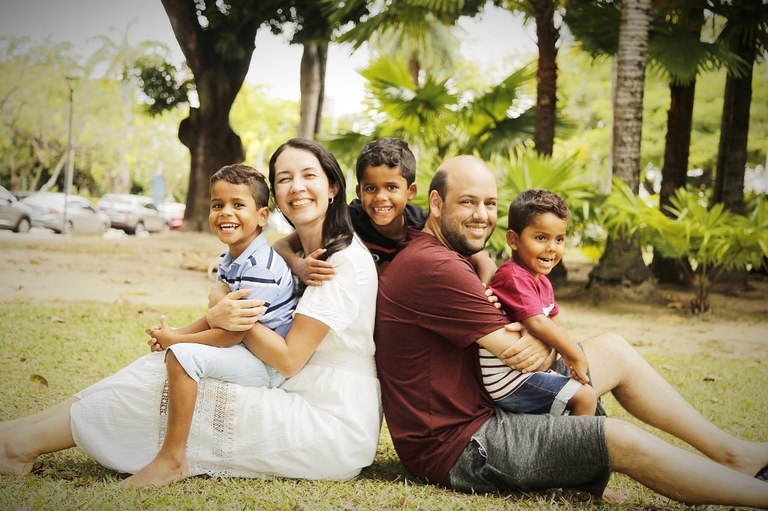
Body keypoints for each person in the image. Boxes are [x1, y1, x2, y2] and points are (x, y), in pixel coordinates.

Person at [374, 155, 768, 508]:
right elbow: (519, 352)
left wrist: (537, 332)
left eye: (490, 203)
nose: (482, 215)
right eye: (468, 202)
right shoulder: (437, 266)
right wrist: (544, 339)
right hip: (462, 445)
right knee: (616, 437)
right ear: (437, 203)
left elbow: (530, 340)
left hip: (490, 400)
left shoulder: (440, 252)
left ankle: (733, 454)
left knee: (612, 349)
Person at [0, 138, 382, 488]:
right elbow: (280, 247)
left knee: (168, 379)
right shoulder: (301, 248)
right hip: (295, 384)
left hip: (328, 416)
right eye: (285, 178)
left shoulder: (340, 264)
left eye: (308, 176)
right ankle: (16, 436)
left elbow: (288, 360)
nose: (297, 186)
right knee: (157, 367)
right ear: (275, 199)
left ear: (332, 187)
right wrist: (291, 268)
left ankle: (154, 458)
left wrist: (221, 306)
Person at [121, 164, 298, 487]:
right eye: (218, 205)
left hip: (266, 363)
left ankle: (172, 459)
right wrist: (174, 333)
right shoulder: (231, 258)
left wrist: (178, 342)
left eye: (237, 205)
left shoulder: (260, 266)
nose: (225, 213)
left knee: (183, 356)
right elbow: (220, 317)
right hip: (245, 347)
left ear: (262, 216)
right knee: (178, 348)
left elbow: (232, 332)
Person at [273, 137, 497, 283]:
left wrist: (484, 291)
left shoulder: (422, 223)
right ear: (359, 191)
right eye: (371, 188)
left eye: (391, 187)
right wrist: (299, 266)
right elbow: (281, 244)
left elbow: (482, 259)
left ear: (410, 191)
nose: (381, 197)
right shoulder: (349, 218)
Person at [480, 189, 597, 416]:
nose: (552, 247)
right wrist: (575, 355)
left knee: (582, 389)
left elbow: (553, 322)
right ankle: (579, 449)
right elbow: (538, 323)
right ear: (513, 240)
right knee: (585, 396)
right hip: (507, 382)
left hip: (528, 373)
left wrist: (566, 357)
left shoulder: (542, 281)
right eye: (541, 238)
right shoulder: (512, 276)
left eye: (559, 239)